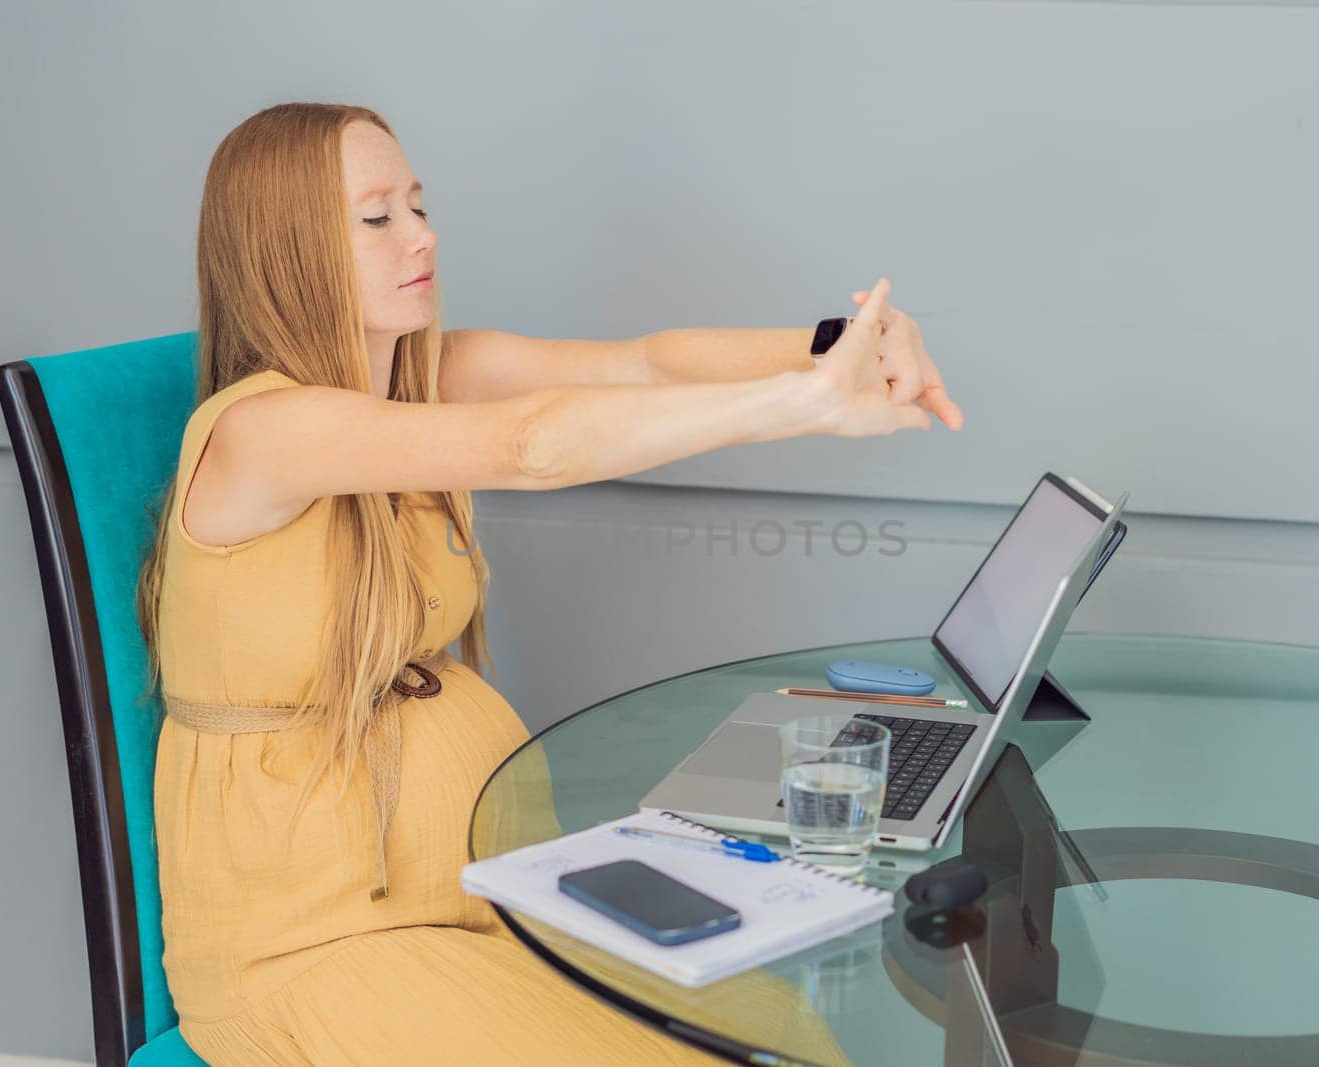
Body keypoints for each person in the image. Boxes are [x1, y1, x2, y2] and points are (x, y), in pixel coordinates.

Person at [134, 100, 964, 1065]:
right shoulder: (261, 434)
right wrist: (804, 409)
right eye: (378, 217)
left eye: (417, 204)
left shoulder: (425, 378)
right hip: (317, 942)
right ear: (287, 251)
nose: (423, 234)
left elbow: (644, 364)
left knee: (772, 1025)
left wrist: (839, 343)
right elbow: (530, 447)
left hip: (481, 891)